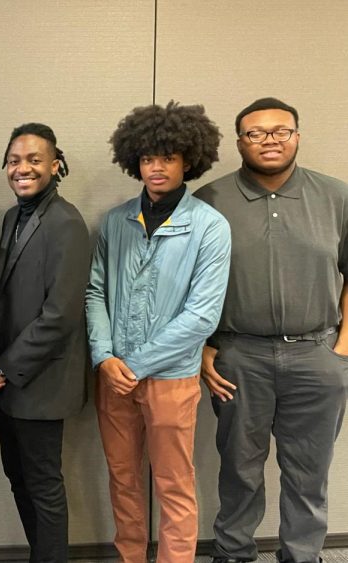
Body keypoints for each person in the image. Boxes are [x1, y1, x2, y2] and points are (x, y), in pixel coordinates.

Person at [195, 97, 348, 563]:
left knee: (308, 473)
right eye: (256, 133)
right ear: (240, 142)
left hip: (317, 356)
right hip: (239, 357)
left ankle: (303, 556)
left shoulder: (336, 196)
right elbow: (187, 283)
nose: (270, 141)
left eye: (281, 131)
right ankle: (233, 553)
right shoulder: (210, 201)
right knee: (239, 470)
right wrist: (202, 347)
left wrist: (343, 347)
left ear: (297, 136)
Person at [86, 101, 231, 563]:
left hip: (172, 379)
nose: (156, 167)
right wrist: (104, 357)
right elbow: (95, 293)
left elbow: (202, 317)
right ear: (135, 162)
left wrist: (133, 362)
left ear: (188, 159)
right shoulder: (115, 220)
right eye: (148, 158)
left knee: (174, 484)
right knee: (123, 479)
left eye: (167, 157)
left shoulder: (210, 227)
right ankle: (130, 556)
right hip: (113, 379)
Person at [0, 123, 90, 563]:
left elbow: (60, 316)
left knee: (42, 483)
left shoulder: (67, 222)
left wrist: (5, 367)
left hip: (41, 383)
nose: (22, 168)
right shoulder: (12, 217)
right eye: (14, 160)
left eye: (34, 160)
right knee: (17, 476)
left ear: (56, 165)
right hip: (6, 380)